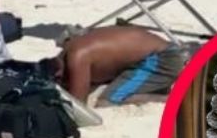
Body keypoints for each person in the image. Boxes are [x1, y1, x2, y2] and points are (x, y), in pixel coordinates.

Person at [38, 26, 187, 107]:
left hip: (162, 59)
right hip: (160, 50)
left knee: (109, 100)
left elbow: (77, 106)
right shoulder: (71, 48)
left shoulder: (77, 58)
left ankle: (171, 99)